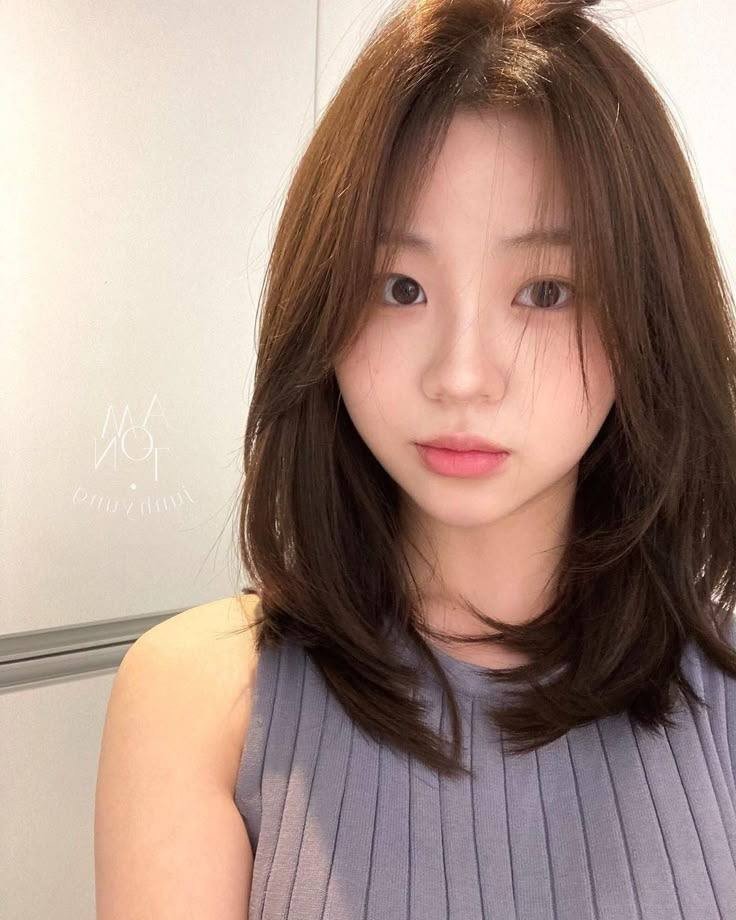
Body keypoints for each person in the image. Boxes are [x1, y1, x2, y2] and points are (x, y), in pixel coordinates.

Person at [95, 1, 736, 917]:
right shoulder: (198, 702)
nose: (462, 376)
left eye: (546, 291)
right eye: (400, 288)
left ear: (650, 316)